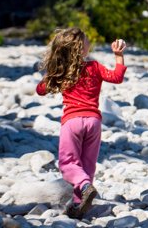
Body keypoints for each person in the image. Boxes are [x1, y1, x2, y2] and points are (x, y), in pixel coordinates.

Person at [35, 29, 127, 219]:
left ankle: (84, 187)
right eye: (87, 42)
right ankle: (78, 204)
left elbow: (40, 90)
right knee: (87, 165)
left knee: (69, 164)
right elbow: (116, 77)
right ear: (83, 49)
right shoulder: (94, 66)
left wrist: (52, 69)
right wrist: (118, 56)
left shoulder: (61, 71)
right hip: (93, 122)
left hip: (72, 122)